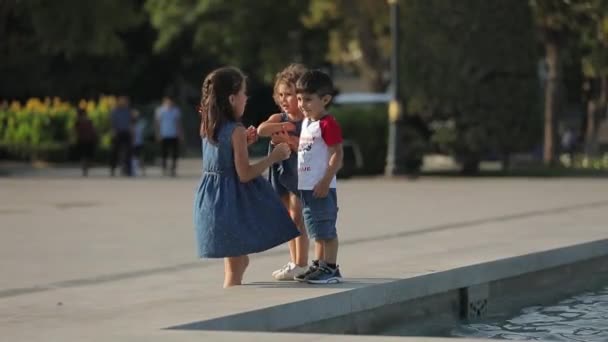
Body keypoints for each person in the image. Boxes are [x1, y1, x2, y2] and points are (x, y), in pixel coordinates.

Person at [193, 66, 300, 288]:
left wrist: (244, 144)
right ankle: (230, 304)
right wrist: (274, 157)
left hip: (212, 201)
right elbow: (244, 174)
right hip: (231, 204)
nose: (246, 98)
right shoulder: (236, 130)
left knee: (237, 261)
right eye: (243, 93)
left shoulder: (208, 125)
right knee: (236, 265)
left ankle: (231, 295)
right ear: (232, 98)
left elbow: (221, 157)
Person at [257, 64, 310, 281]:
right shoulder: (280, 119)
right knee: (288, 218)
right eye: (280, 95)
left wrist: (288, 138)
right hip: (281, 172)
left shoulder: (307, 121)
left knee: (298, 217)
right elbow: (262, 129)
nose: (284, 100)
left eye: (289, 94)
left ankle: (302, 263)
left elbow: (305, 146)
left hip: (299, 173)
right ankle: (293, 261)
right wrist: (280, 129)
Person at [294, 70, 344, 284]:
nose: (301, 104)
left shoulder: (327, 123)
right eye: (299, 99)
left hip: (321, 187)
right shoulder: (307, 123)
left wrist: (325, 181)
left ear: (325, 99)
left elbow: (337, 154)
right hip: (306, 187)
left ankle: (331, 268)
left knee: (326, 230)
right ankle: (319, 264)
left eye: (307, 99)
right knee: (315, 228)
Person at [155, 96, 183, 177]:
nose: (169, 103)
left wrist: (180, 134)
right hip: (164, 134)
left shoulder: (176, 111)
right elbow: (157, 123)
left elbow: (178, 123)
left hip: (173, 134)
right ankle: (164, 168)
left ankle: (173, 169)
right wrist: (158, 133)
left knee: (174, 153)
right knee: (164, 153)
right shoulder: (160, 110)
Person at [110, 96, 134, 176]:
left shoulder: (128, 111)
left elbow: (131, 122)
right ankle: (113, 168)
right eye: (122, 101)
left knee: (128, 152)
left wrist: (132, 133)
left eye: (125, 101)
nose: (124, 102)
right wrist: (113, 131)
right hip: (118, 132)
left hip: (127, 133)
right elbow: (113, 122)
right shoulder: (115, 111)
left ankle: (128, 169)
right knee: (115, 151)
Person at [74, 108, 98, 177]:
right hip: (84, 140)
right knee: (84, 155)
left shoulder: (86, 121)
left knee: (85, 156)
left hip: (86, 140)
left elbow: (93, 130)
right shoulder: (80, 122)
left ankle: (85, 168)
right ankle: (85, 168)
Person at [132, 110, 146, 176]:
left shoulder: (140, 124)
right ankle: (133, 170)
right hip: (132, 143)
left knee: (140, 157)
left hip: (139, 143)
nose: (135, 117)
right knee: (133, 157)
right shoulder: (130, 124)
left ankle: (143, 171)